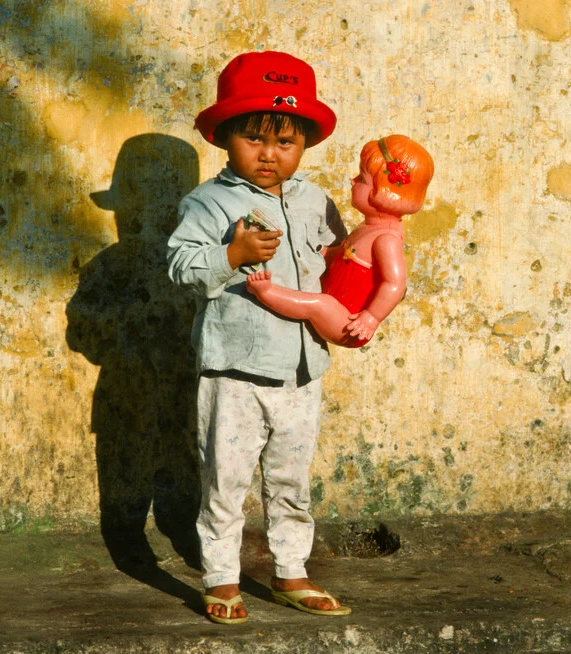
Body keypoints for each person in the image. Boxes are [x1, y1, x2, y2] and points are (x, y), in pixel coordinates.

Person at [166, 51, 350, 624]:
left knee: (292, 479)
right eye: (254, 139)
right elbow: (180, 266)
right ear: (224, 136)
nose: (270, 155)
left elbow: (340, 263)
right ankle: (221, 579)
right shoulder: (207, 202)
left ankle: (290, 571)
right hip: (234, 372)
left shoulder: (316, 200)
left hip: (301, 370)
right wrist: (232, 255)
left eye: (286, 143)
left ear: (305, 145)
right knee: (226, 479)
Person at [246, 135, 434, 348]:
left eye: (362, 179)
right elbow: (345, 253)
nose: (353, 180)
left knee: (319, 304)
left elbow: (395, 284)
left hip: (348, 323)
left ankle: (266, 292)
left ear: (384, 193)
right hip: (337, 295)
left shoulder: (386, 239)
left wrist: (371, 318)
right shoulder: (370, 227)